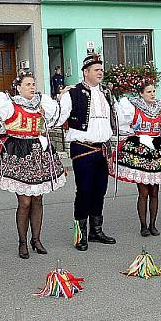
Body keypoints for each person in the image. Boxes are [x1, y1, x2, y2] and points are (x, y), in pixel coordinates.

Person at [0, 69, 67, 258]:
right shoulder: (10, 105)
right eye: (28, 84)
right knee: (24, 201)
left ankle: (36, 239)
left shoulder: (41, 105)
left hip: (39, 152)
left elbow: (51, 123)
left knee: (38, 199)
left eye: (33, 84)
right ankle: (22, 241)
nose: (32, 88)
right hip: (19, 152)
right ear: (18, 87)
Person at [58, 53, 117, 251]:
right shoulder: (72, 93)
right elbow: (58, 118)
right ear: (85, 72)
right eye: (96, 70)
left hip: (102, 147)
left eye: (101, 69)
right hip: (82, 147)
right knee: (84, 190)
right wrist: (58, 100)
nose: (100, 73)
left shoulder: (106, 93)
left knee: (100, 189)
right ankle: (80, 234)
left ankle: (96, 231)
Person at [115, 82, 161, 236]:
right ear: (141, 93)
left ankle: (153, 224)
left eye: (153, 91)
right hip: (140, 150)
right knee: (143, 192)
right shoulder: (133, 107)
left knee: (155, 191)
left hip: (157, 149)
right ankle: (143, 226)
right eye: (148, 92)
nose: (152, 94)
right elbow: (124, 126)